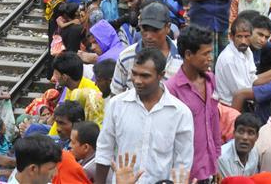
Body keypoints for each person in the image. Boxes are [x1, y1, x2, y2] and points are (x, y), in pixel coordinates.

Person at [94, 48, 194, 184]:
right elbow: (104, 151)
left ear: (161, 75)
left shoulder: (180, 113)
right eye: (134, 74)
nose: (137, 81)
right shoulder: (116, 105)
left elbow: (183, 162)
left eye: (145, 76)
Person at [167, 24, 221, 182]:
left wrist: (215, 161)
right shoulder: (172, 89)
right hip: (185, 174)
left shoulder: (211, 80)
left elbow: (213, 122)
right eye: (205, 54)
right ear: (189, 54)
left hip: (208, 167)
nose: (210, 58)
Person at [218, 113, 261, 177]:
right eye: (241, 131)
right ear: (234, 133)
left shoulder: (255, 152)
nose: (245, 137)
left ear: (257, 136)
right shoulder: (222, 157)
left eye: (250, 133)